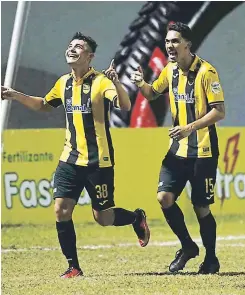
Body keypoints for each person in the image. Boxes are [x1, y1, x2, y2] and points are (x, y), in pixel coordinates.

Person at [1, 32, 150, 278]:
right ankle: (73, 267)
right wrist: (13, 94)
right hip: (69, 159)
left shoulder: (101, 81)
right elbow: (43, 105)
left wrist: (117, 83)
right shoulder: (63, 83)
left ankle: (136, 218)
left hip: (97, 162)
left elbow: (124, 105)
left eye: (79, 47)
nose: (72, 49)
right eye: (70, 45)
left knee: (103, 217)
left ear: (89, 56)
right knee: (61, 210)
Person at [130, 22, 225, 274]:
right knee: (164, 198)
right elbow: (152, 94)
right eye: (167, 41)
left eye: (174, 41)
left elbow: (219, 111)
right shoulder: (170, 70)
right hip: (177, 150)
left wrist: (189, 127)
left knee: (201, 207)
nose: (169, 46)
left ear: (187, 45)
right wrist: (141, 83)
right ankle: (188, 246)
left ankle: (211, 259)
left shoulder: (207, 72)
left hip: (203, 151)